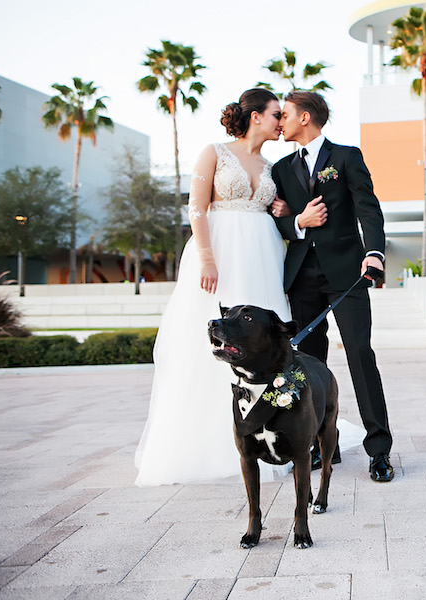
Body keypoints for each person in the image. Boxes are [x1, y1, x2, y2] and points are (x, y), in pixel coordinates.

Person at [135, 89, 292, 486]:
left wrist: (284, 209)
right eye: (277, 114)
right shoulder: (215, 152)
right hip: (221, 250)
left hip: (263, 252)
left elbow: (279, 211)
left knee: (262, 339)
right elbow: (196, 207)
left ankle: (270, 432)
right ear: (256, 115)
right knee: (214, 335)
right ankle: (207, 440)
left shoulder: (272, 165)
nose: (281, 121)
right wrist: (206, 256)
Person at [270, 91, 394, 482]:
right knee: (310, 366)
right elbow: (277, 222)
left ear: (305, 118)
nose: (280, 121)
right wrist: (296, 220)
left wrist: (373, 252)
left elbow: (368, 209)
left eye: (285, 115)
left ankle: (379, 451)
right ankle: (326, 447)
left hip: (347, 274)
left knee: (360, 356)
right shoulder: (281, 169)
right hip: (301, 278)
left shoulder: (345, 157)